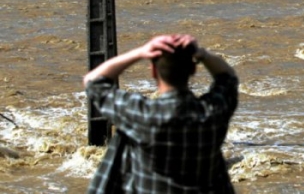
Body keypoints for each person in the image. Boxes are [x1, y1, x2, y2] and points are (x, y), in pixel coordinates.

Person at [84, 34, 238, 193]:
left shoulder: (143, 116)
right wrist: (202, 53)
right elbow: (228, 77)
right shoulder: (212, 113)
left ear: (153, 71)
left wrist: (140, 52)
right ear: (193, 69)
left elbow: (93, 81)